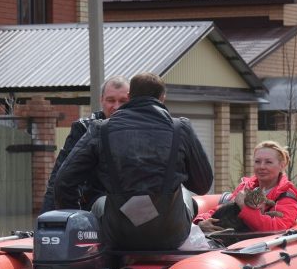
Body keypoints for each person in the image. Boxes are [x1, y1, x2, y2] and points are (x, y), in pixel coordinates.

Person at [54, 72, 213, 250]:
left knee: (101, 202)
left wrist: (79, 224)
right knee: (185, 195)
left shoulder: (101, 129)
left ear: (129, 97)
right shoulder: (180, 128)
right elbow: (202, 185)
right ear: (162, 98)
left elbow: (62, 182)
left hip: (119, 235)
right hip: (171, 234)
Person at [40, 75, 129, 213]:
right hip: (94, 207)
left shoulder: (143, 131)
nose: (116, 107)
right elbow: (58, 179)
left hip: (134, 205)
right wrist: (46, 221)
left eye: (123, 101)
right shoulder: (84, 129)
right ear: (101, 101)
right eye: (111, 100)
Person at [195, 141, 297, 233]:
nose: (262, 167)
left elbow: (276, 227)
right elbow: (225, 208)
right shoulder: (247, 187)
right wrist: (201, 222)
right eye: (257, 161)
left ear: (282, 165)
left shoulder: (287, 196)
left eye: (268, 162)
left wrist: (244, 207)